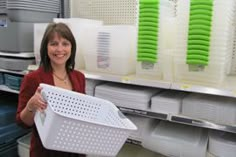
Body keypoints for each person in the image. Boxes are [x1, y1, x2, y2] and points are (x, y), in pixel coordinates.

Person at [16, 22, 86, 157]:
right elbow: (22, 122)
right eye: (54, 44)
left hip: (75, 149)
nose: (60, 49)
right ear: (45, 48)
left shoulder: (79, 77)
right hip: (46, 152)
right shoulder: (33, 79)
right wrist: (31, 106)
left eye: (65, 44)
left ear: (72, 47)